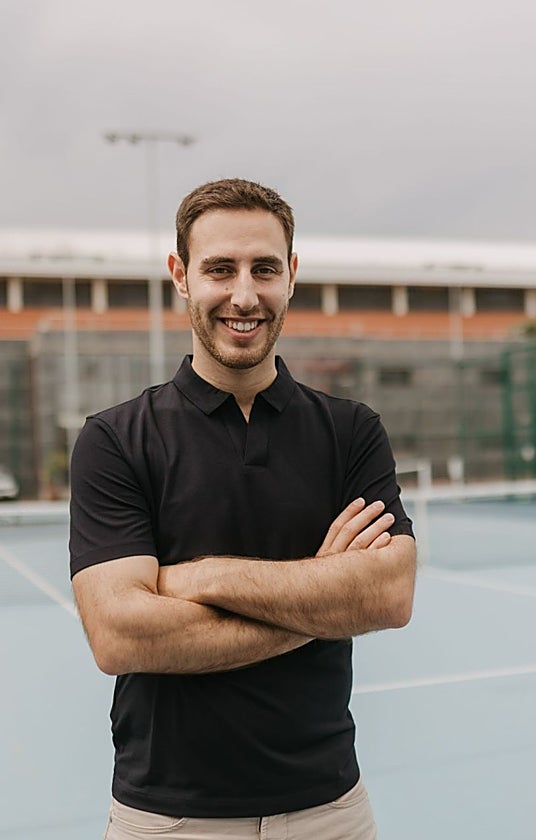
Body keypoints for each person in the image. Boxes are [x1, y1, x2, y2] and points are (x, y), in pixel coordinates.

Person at [69, 178, 417, 840]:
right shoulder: (115, 439)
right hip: (168, 818)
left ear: (291, 275)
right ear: (180, 276)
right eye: (219, 269)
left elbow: (389, 595)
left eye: (264, 269)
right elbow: (120, 634)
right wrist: (322, 595)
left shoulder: (351, 431)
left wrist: (199, 577)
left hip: (332, 811)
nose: (244, 294)